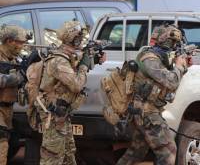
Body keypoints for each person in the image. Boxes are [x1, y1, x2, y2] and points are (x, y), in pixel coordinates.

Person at [32, 21, 105, 165]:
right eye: (80, 37)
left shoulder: (67, 56)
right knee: (52, 158)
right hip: (53, 116)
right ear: (73, 39)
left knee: (68, 155)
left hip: (62, 114)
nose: (82, 40)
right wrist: (84, 65)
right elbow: (76, 85)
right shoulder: (59, 60)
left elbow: (73, 71)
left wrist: (93, 60)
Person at [116, 24, 188, 165]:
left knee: (136, 152)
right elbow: (171, 82)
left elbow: (170, 80)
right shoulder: (150, 59)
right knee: (169, 152)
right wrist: (179, 66)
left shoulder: (157, 58)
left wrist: (183, 67)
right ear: (165, 41)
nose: (173, 46)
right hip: (146, 112)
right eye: (173, 42)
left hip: (145, 111)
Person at [0, 24, 28, 165]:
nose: (22, 46)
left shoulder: (14, 59)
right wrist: (20, 76)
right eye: (20, 42)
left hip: (7, 111)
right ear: (9, 41)